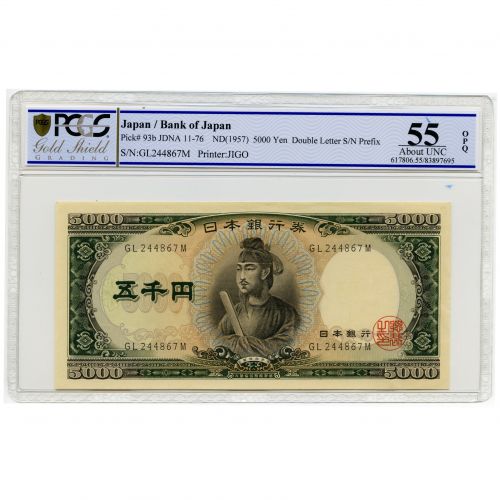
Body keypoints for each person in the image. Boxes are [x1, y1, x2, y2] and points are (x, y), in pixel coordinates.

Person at [214, 237, 298, 357]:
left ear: (264, 272)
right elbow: (216, 343)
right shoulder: (235, 312)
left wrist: (237, 343)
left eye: (249, 268)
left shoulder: (286, 313)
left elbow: (284, 347)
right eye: (239, 269)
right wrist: (246, 344)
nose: (242, 277)